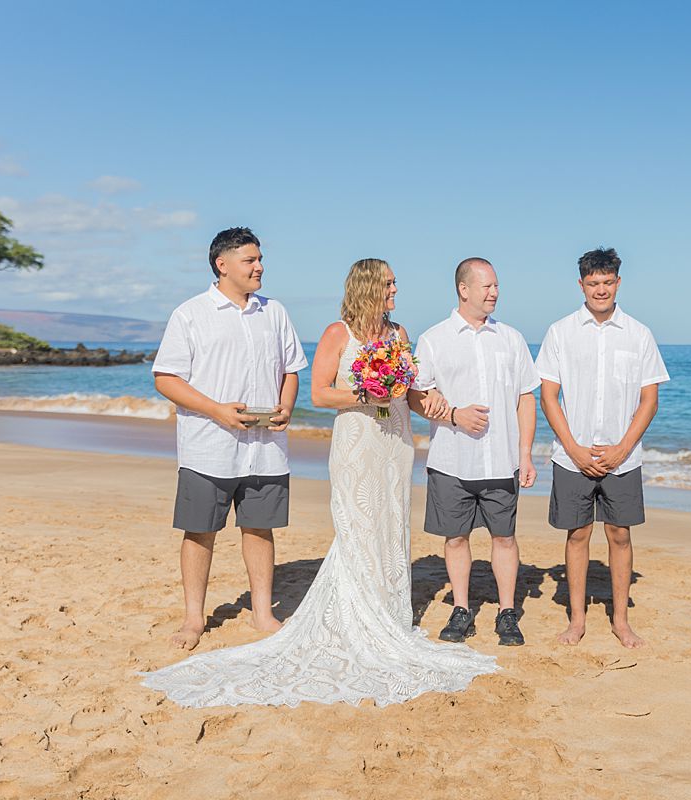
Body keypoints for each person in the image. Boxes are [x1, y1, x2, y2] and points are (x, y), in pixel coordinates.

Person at [142, 258, 497, 707]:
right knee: (357, 526)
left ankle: (388, 613)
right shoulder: (338, 333)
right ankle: (352, 616)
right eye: (388, 283)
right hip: (357, 441)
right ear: (368, 287)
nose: (395, 290)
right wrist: (367, 394)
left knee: (391, 527)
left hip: (395, 442)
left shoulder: (399, 335)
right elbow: (320, 393)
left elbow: (409, 393)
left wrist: (448, 410)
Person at [150, 227, 307, 651]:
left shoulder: (274, 312)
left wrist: (287, 406)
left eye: (260, 259)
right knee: (199, 531)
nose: (259, 267)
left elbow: (291, 368)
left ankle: (262, 613)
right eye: (250, 260)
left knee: (260, 528)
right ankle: (192, 619)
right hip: (208, 446)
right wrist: (217, 410)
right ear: (223, 265)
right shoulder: (190, 313)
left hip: (266, 448)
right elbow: (166, 378)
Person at [536, 247, 669, 649]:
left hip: (623, 458)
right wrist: (573, 448)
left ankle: (621, 621)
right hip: (572, 456)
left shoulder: (639, 334)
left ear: (618, 283)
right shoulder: (560, 331)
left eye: (607, 282)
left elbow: (649, 399)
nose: (600, 290)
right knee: (577, 534)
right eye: (593, 283)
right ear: (581, 285)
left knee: (619, 535)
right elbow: (548, 396)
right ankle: (577, 620)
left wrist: (623, 448)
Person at [409, 258, 538, 647]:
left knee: (505, 538)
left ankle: (506, 612)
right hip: (451, 459)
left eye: (497, 286)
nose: (494, 292)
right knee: (456, 538)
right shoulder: (434, 338)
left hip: (502, 459)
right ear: (464, 290)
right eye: (487, 286)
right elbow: (416, 395)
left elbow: (525, 398)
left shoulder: (511, 338)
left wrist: (526, 454)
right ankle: (461, 608)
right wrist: (454, 415)